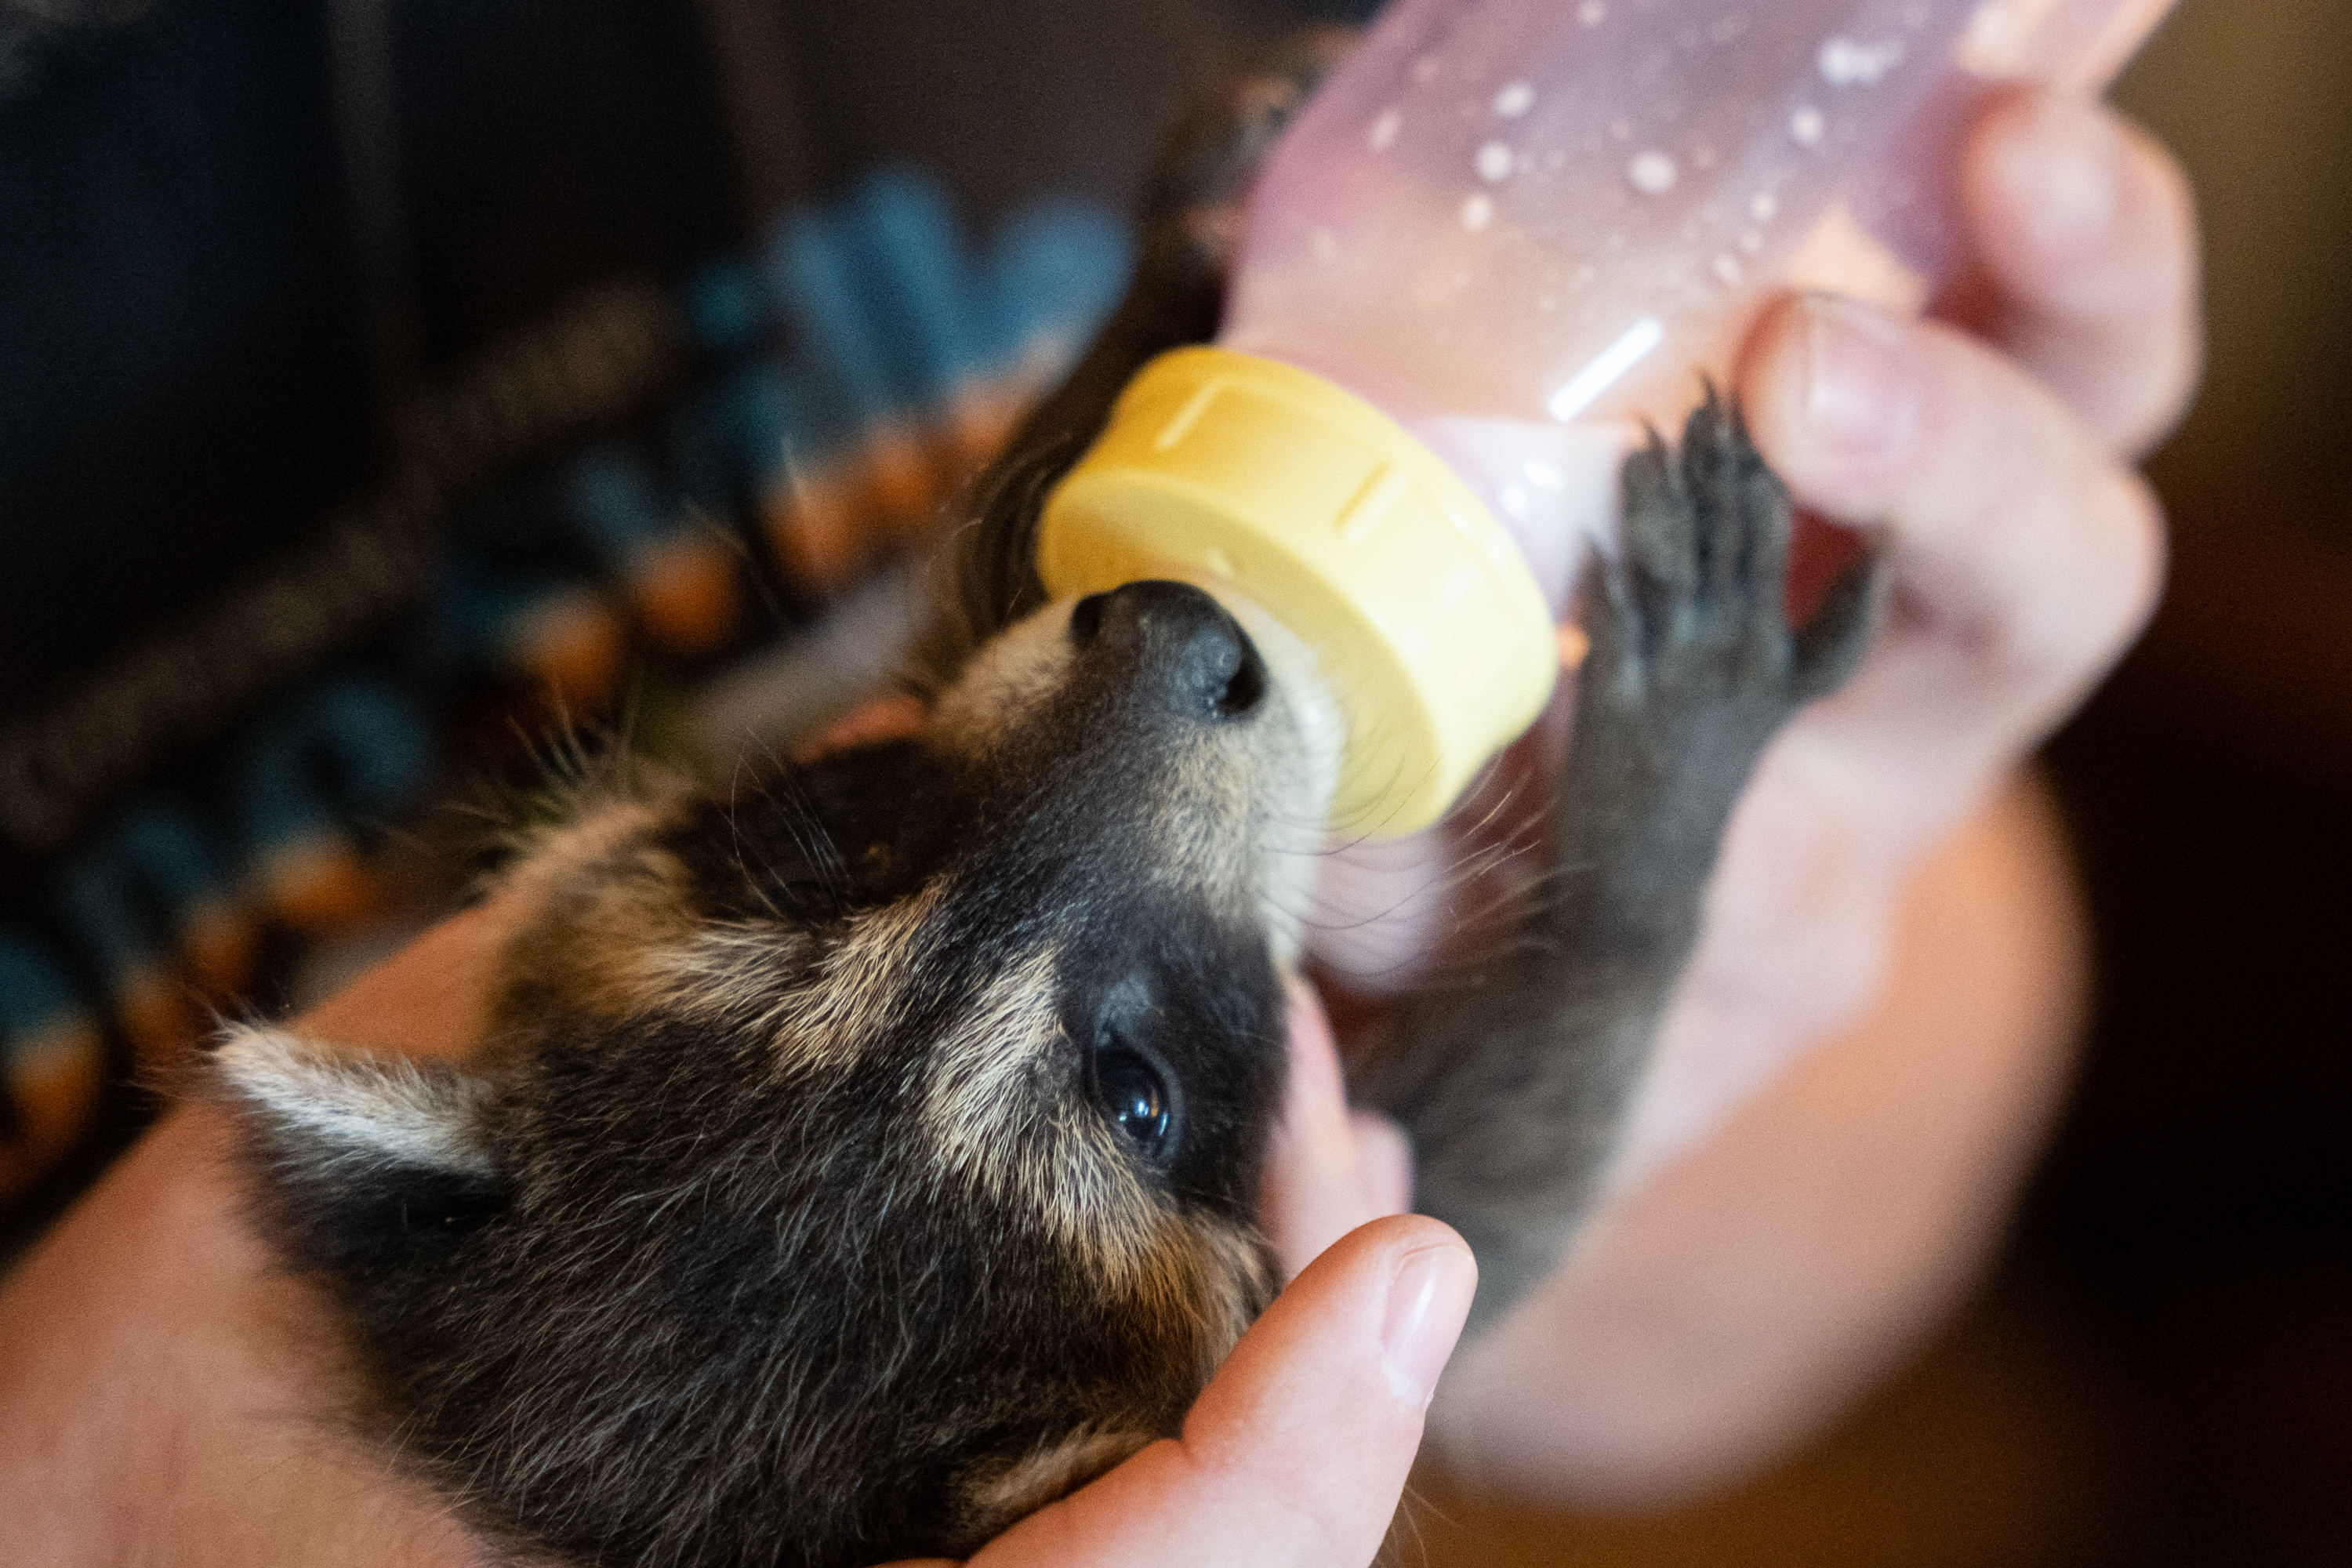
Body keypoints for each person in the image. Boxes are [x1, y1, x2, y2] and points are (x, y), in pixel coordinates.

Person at [0, 80, 2196, 1566]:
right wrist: (1698, 800)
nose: (1142, 700)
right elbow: (1522, 1173)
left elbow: (1020, 597)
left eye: (847, 864)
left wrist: (1188, 300)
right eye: (1134, 1098)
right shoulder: (1199, 1337)